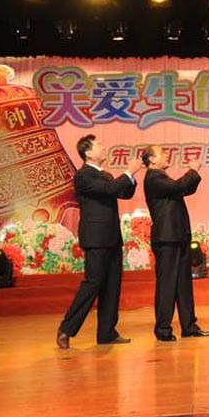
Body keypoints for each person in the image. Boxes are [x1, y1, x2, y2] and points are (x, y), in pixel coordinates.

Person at [56, 134, 144, 349]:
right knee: (93, 282)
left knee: (112, 285)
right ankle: (67, 328)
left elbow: (123, 193)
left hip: (112, 235)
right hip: (96, 237)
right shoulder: (83, 175)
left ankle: (106, 332)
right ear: (87, 153)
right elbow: (108, 190)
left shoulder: (104, 174)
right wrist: (128, 171)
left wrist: (131, 177)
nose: (104, 148)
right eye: (98, 145)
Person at [141, 145, 209, 342]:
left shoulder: (162, 178)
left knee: (183, 284)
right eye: (162, 153)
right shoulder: (153, 177)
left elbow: (185, 188)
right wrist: (193, 170)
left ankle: (189, 325)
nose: (167, 155)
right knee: (167, 284)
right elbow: (179, 187)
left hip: (178, 236)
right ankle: (163, 329)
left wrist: (193, 175)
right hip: (166, 238)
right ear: (152, 159)